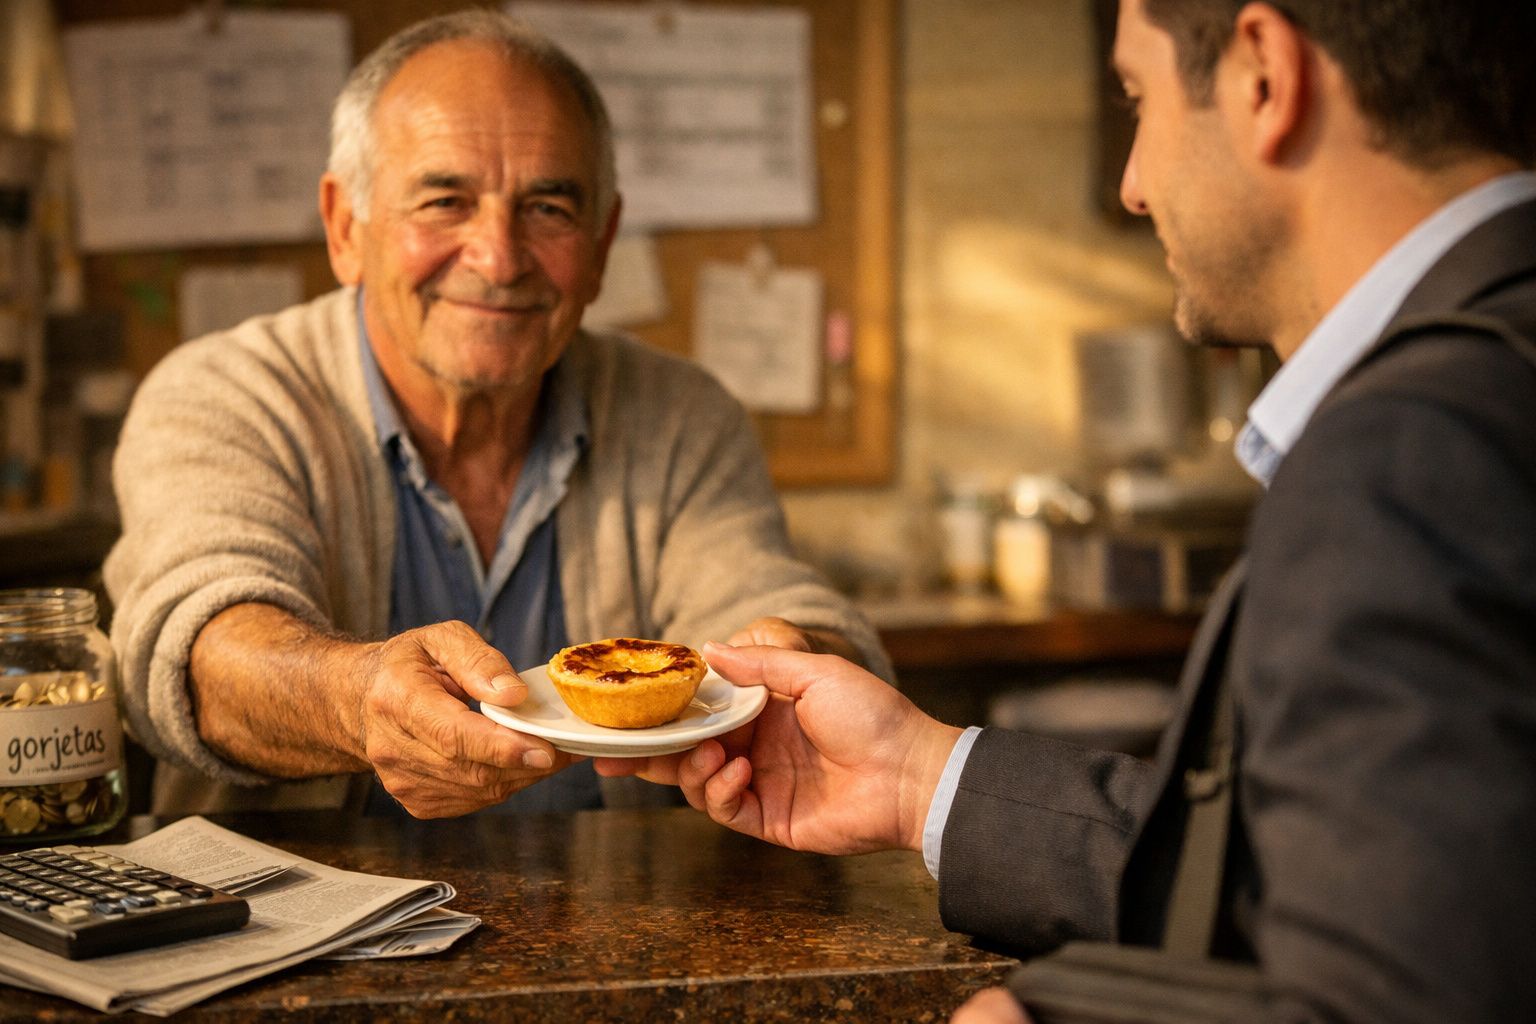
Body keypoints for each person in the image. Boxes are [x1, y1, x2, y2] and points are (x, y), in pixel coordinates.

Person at [598, 1, 1536, 1020]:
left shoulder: (1411, 446)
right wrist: (923, 779)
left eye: (1138, 97)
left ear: (1264, 74)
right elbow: (1360, 879)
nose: (1132, 185)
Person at [103, 10, 890, 820]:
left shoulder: (679, 415)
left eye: (549, 208)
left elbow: (772, 607)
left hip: (620, 928)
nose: (500, 258)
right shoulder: (225, 394)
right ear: (346, 229)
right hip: (285, 934)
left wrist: (800, 656)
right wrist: (355, 700)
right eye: (445, 201)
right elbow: (195, 649)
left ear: (602, 243)